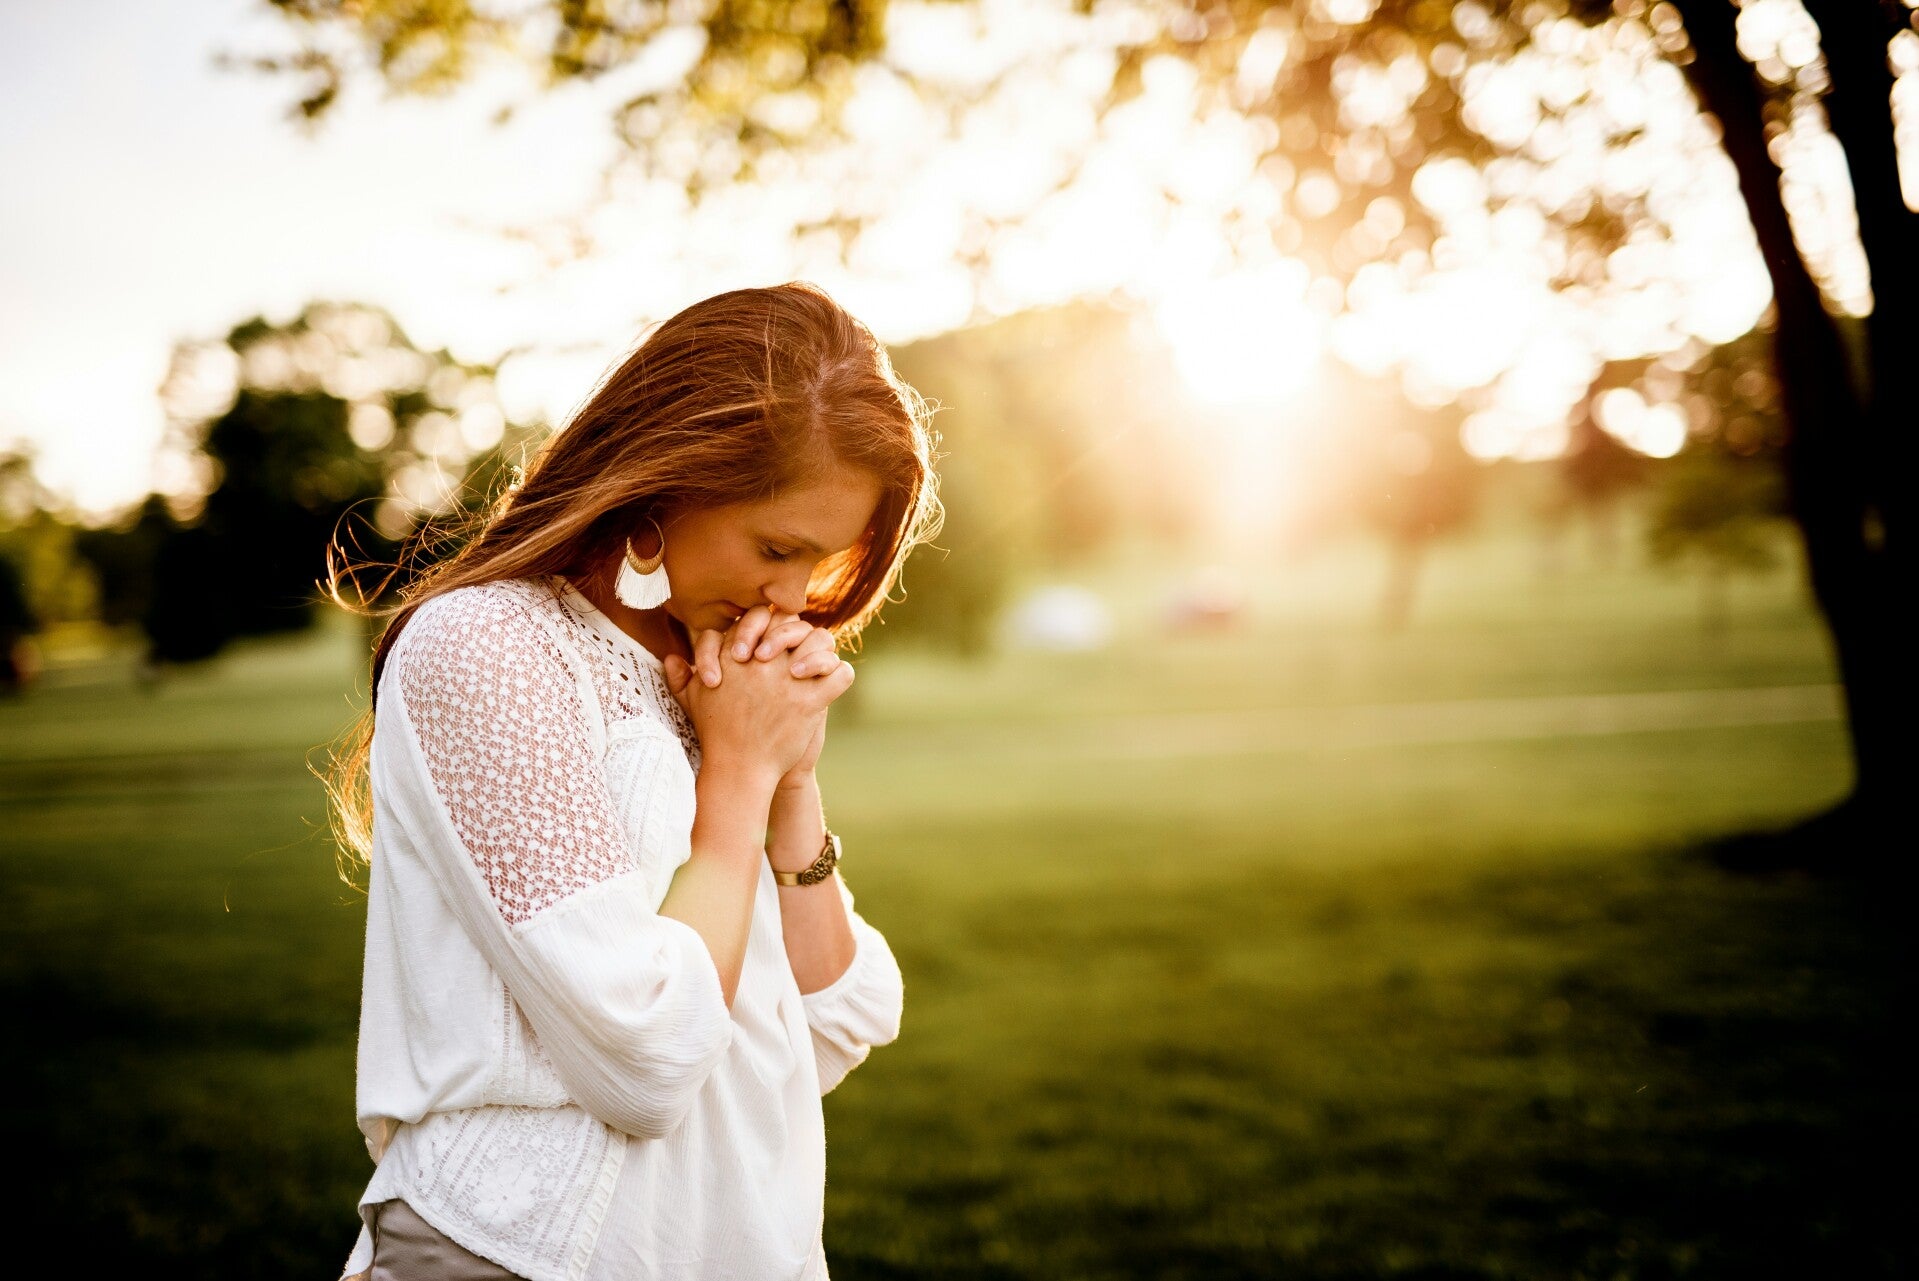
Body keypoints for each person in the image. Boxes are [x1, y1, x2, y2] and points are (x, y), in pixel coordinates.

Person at [327, 282, 943, 1281]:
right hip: (517, 1254)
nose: (791, 599)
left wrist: (787, 779)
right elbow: (648, 1056)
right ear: (665, 481)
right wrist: (738, 777)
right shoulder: (490, 649)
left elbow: (837, 1018)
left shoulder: (712, 673)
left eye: (820, 562)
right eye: (775, 548)